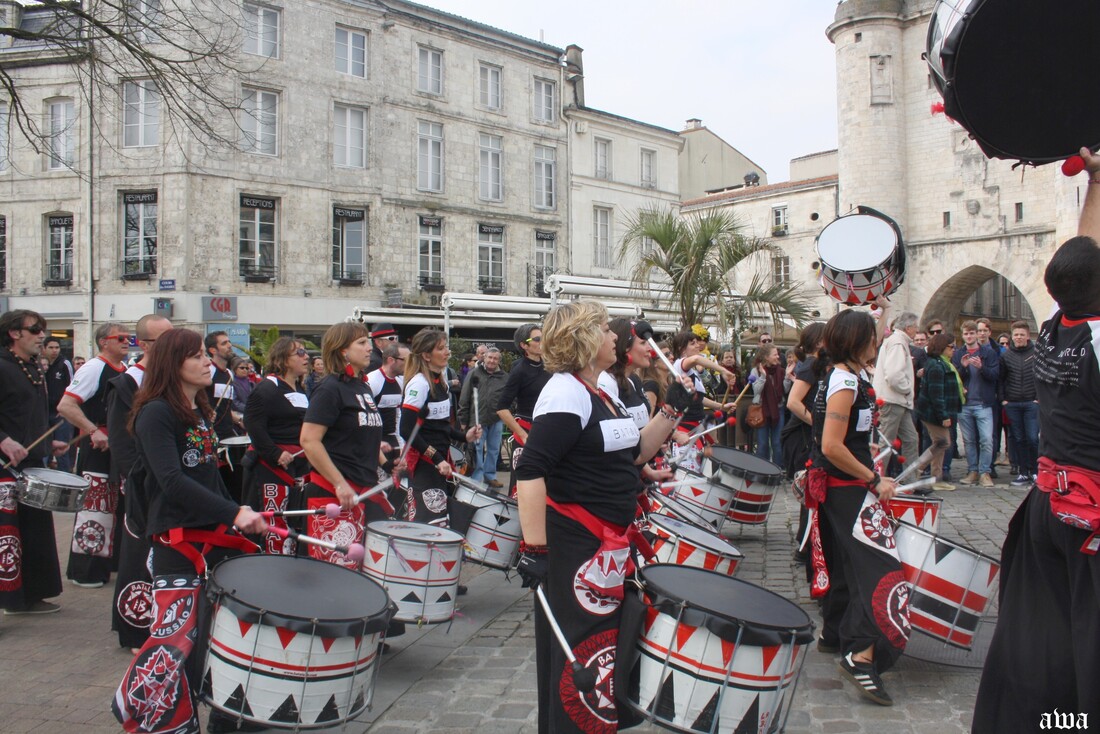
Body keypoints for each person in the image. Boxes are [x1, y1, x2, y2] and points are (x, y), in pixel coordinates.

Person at [514, 300, 690, 733]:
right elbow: (530, 470)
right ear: (585, 338)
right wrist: (535, 549)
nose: (615, 335)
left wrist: (672, 410)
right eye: (605, 329)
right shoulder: (563, 394)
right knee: (582, 650)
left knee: (605, 646)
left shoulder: (602, 389)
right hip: (576, 545)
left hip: (606, 544)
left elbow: (634, 453)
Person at [972, 146, 1100, 732]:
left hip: (1049, 505)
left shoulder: (1057, 326)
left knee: (1040, 637)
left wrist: (1096, 180)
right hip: (1090, 513)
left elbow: (1085, 254)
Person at [111, 328, 267, 734]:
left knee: (213, 642)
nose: (207, 362)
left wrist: (240, 512)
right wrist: (234, 512)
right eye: (197, 356)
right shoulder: (156, 412)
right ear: (173, 363)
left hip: (209, 540)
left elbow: (206, 479)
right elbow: (172, 481)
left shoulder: (196, 409)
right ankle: (147, 715)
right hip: (178, 545)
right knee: (174, 645)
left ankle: (221, 718)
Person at [806, 309, 907, 707]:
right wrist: (872, 478)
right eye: (873, 335)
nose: (878, 341)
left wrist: (868, 455)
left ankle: (834, 634)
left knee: (845, 565)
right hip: (846, 488)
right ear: (856, 341)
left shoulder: (847, 375)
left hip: (842, 484)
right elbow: (832, 445)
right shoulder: (844, 380)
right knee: (879, 568)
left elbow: (843, 438)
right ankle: (861, 653)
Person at [300, 323, 393, 569]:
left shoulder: (361, 386)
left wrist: (389, 464)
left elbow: (365, 436)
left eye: (368, 342)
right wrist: (339, 483)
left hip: (363, 491)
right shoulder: (329, 388)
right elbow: (309, 440)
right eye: (361, 343)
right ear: (342, 351)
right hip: (335, 496)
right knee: (335, 574)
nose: (369, 347)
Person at [106, 314, 173, 651]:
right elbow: (121, 441)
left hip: (172, 481)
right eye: (164, 339)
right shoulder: (128, 382)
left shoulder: (174, 377)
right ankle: (135, 628)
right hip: (143, 482)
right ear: (145, 344)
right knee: (137, 555)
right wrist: (143, 479)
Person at [0, 309, 66, 615]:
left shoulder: (32, 368)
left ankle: (33, 594)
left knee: (34, 531)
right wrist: (3, 439)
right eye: (35, 329)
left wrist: (48, 440)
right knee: (8, 536)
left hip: (32, 461)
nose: (42, 335)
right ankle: (10, 598)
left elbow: (30, 413)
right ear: (15, 333)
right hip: (5, 465)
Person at [58, 321, 129, 588]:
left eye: (128, 337)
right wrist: (92, 430)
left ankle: (110, 562)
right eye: (120, 337)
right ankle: (85, 570)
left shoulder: (125, 369)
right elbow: (66, 405)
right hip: (97, 446)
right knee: (95, 507)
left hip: (117, 446)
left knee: (115, 506)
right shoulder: (94, 368)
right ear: (104, 342)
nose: (126, 341)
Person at [399, 328, 480, 525]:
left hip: (440, 462)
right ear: (426, 355)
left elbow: (440, 426)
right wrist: (436, 458)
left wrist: (464, 437)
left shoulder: (440, 381)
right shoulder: (419, 384)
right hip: (424, 464)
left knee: (441, 522)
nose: (447, 353)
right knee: (428, 523)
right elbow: (406, 430)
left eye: (446, 348)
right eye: (441, 349)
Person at [244, 337, 312, 555]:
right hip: (272, 468)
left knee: (291, 519)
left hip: (297, 465)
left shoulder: (300, 389)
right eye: (300, 353)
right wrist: (275, 453)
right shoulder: (267, 387)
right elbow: (253, 425)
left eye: (305, 352)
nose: (307, 356)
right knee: (273, 522)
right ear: (283, 359)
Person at [782, 323, 826, 561]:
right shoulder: (810, 366)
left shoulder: (816, 365)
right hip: (801, 436)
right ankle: (805, 546)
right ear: (819, 342)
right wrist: (818, 425)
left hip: (808, 435)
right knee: (810, 490)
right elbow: (793, 402)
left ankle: (807, 543)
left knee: (811, 491)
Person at [952, 320, 1000, 486]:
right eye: (966, 334)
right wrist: (963, 368)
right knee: (969, 440)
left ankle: (985, 472)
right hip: (965, 404)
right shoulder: (958, 354)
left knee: (986, 439)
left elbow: (995, 375)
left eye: (972, 333)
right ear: (963, 335)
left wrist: (982, 367)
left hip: (983, 403)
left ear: (976, 335)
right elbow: (954, 378)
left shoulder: (989, 353)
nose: (969, 336)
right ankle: (972, 470)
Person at [496, 323, 551, 467]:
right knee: (522, 484)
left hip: (547, 430)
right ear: (524, 345)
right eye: (537, 339)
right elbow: (502, 408)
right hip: (527, 429)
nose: (542, 342)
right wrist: (522, 434)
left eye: (543, 338)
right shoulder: (519, 370)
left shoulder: (549, 366)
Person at [872, 311, 920, 469]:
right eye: (915, 327)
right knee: (885, 443)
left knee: (911, 440)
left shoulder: (897, 341)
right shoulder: (898, 343)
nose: (917, 330)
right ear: (908, 328)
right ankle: (877, 479)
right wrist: (907, 389)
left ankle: (909, 481)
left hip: (898, 400)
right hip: (893, 399)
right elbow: (893, 375)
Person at [915, 333, 963, 491]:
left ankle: (936, 477)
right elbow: (936, 394)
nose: (953, 350)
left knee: (940, 443)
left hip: (937, 411)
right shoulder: (936, 365)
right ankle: (917, 468)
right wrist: (943, 416)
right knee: (943, 442)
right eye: (951, 347)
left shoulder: (942, 363)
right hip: (933, 413)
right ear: (943, 348)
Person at [459, 346, 507, 486]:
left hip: (496, 419)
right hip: (477, 419)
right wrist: (463, 419)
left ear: (499, 361)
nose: (492, 361)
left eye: (495, 358)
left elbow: (509, 397)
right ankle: (477, 477)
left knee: (494, 449)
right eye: (490, 357)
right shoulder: (474, 374)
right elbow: (464, 396)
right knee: (477, 449)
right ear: (484, 358)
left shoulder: (504, 377)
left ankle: (490, 476)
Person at [999, 320, 1039, 487]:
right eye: (1016, 335)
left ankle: (1036, 471)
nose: (1019, 337)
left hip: (1031, 402)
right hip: (1013, 402)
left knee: (1032, 438)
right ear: (1012, 337)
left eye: (1022, 334)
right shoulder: (1006, 355)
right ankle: (1023, 472)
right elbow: (1001, 379)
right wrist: (1004, 400)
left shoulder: (1037, 352)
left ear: (1028, 336)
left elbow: (1042, 376)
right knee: (1018, 439)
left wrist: (1038, 398)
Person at [366, 340, 409, 474]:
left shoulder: (401, 381)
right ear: (391, 360)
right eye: (405, 360)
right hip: (373, 441)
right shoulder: (372, 381)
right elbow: (363, 416)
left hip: (392, 440)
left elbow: (398, 414)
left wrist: (402, 445)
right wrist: (375, 442)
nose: (409, 364)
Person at [43, 336, 74, 472]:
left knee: (62, 450)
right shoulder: (40, 365)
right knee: (44, 449)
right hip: (44, 414)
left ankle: (65, 479)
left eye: (57, 347)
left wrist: (66, 408)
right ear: (44, 349)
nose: (54, 350)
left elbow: (72, 387)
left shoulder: (65, 364)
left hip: (61, 414)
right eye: (51, 347)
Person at [751, 342, 785, 464]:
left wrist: (787, 378)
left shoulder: (781, 371)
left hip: (778, 409)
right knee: (763, 444)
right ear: (766, 357)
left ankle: (778, 471)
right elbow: (756, 391)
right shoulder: (756, 371)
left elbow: (784, 390)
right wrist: (763, 377)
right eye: (775, 354)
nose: (778, 357)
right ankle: (762, 472)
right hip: (762, 411)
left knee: (777, 443)